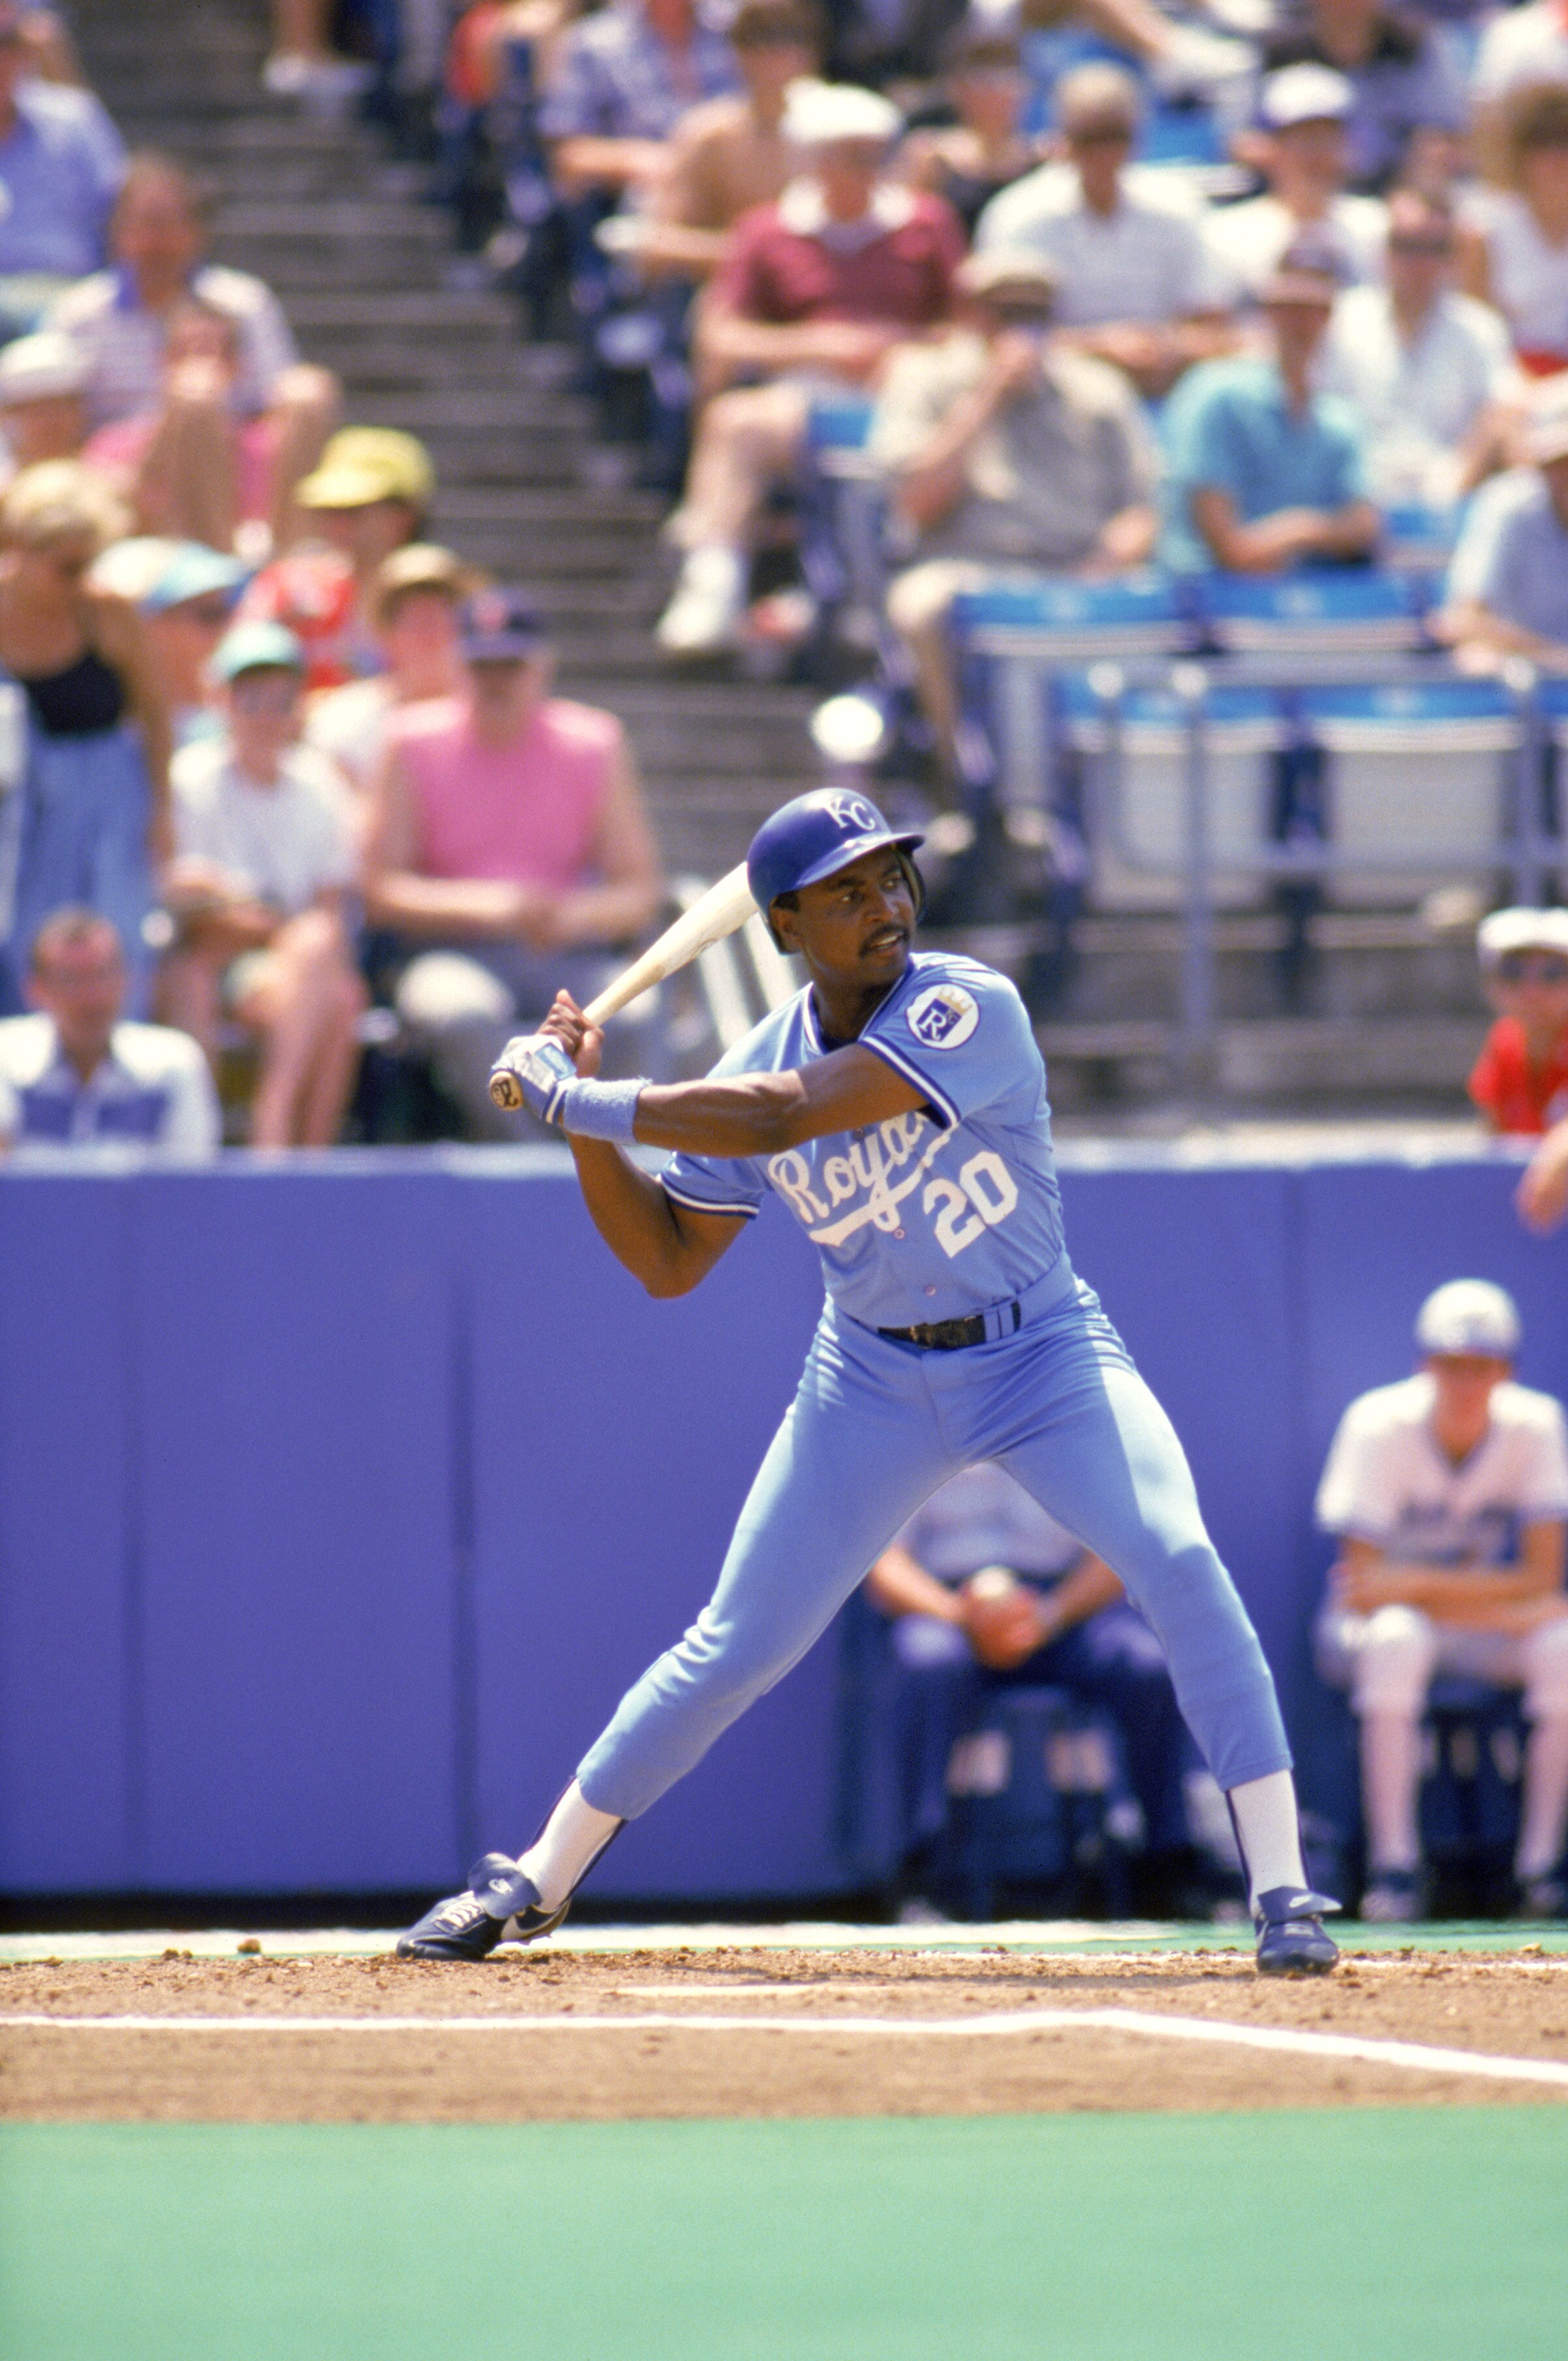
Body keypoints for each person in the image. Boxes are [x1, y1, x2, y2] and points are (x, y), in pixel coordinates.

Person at [397, 786, 1341, 1976]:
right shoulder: (753, 1057)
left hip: (1039, 1347)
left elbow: (791, 1113)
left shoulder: (964, 1003)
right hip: (870, 1373)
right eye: (845, 890)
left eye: (891, 876)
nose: (883, 904)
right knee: (736, 1639)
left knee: (1179, 1557)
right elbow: (668, 1258)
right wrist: (587, 1127)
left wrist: (581, 1095)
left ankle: (1280, 1888)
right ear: (783, 923)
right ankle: (535, 1879)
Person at [656, 81, 963, 657]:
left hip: (907, 395)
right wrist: (816, 345)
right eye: (852, 155)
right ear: (816, 160)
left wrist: (901, 347)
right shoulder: (765, 230)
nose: (869, 169)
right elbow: (723, 334)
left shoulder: (927, 223)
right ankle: (712, 586)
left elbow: (967, 328)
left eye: (876, 154)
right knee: (737, 423)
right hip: (804, 396)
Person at [362, 588, 664, 1138]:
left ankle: (615, 1160)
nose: (496, 679)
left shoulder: (593, 741)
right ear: (459, 666)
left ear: (541, 666)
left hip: (568, 951)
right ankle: (534, 1170)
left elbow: (638, 888)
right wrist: (492, 909)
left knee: (635, 1014)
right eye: (482, 665)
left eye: (511, 664)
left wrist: (573, 917)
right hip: (455, 951)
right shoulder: (410, 742)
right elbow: (381, 889)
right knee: (464, 1014)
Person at [1316, 1280, 1568, 1920]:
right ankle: (1395, 1868)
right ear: (1425, 1364)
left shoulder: (1535, 1423)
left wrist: (1420, 1583)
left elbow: (1543, 1577)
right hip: (1373, 1633)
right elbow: (1367, 1589)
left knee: (1561, 1646)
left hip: (1473, 1629)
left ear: (1505, 1371)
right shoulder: (1377, 1422)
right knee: (1399, 1636)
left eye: (1482, 1366)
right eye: (1453, 1364)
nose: (1466, 1381)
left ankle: (1541, 1870)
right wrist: (1494, 1600)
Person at [872, 248, 1158, 775]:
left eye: (1034, 313)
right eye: (1003, 311)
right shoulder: (923, 376)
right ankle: (966, 776)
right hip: (971, 567)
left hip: (1078, 571)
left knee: (1165, 609)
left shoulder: (1097, 388)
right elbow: (915, 503)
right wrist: (988, 396)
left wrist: (1102, 566)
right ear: (969, 313)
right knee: (921, 605)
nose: (1019, 327)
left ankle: (1114, 781)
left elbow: (1142, 511)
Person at [865, 1461, 1194, 1908]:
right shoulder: (916, 1430)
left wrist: (1046, 1617)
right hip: (948, 1611)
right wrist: (963, 1619)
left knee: (1145, 1665)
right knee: (926, 1660)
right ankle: (919, 1873)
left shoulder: (1072, 1424)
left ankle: (1165, 1865)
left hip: (1059, 1610)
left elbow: (1115, 1558)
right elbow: (884, 1566)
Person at [161, 621, 364, 1150]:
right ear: (222, 700)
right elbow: (187, 901)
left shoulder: (319, 783)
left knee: (337, 990)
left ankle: (285, 1138)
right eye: (250, 697)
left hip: (282, 968)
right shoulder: (191, 775)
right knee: (328, 986)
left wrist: (246, 911)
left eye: (280, 698)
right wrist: (267, 919)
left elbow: (327, 909)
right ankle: (275, 1142)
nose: (266, 713)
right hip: (211, 960)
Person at [0, 461, 172, 1013]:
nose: (81, 579)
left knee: (115, 937)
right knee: (23, 946)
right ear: (23, 546)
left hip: (108, 806)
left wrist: (163, 809)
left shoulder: (108, 613)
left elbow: (155, 713)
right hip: (16, 814)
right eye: (68, 565)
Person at [974, 64, 1231, 403]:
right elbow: (999, 337)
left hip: (1165, 388)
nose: (1103, 153)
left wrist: (1162, 348)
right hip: (1051, 396)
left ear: (1137, 136)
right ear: (1063, 139)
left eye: (1115, 135)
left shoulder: (1179, 208)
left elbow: (1211, 325)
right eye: (1088, 139)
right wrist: (1100, 348)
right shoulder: (1018, 214)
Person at [46, 152, 333, 448]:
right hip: (109, 471)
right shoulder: (79, 312)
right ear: (117, 231)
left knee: (305, 392)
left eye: (168, 224)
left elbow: (276, 395)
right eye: (145, 223)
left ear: (198, 232)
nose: (155, 241)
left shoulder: (244, 302)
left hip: (227, 463)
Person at [1160, 247, 1378, 574]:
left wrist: (1300, 529)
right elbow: (1233, 550)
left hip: (1298, 604)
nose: (1301, 322)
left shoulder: (1338, 419)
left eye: (1316, 308)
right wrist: (1321, 533)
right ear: (1268, 310)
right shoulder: (1217, 394)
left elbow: (1365, 525)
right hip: (1207, 606)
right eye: (1287, 307)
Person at [1318, 188, 1513, 507]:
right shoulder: (1341, 319)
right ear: (1383, 250)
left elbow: (1502, 413)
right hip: (1352, 501)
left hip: (1450, 498)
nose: (1417, 262)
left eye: (1433, 248)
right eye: (1405, 245)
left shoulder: (1480, 329)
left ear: (1452, 256)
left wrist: (1453, 489)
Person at [80, 296, 294, 555]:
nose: (200, 365)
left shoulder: (266, 446)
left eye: (213, 352)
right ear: (162, 361)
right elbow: (119, 514)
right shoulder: (114, 443)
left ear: (237, 366)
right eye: (185, 352)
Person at [632, 0, 823, 281]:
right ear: (736, 51)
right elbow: (658, 246)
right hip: (728, 297)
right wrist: (759, 256)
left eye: (790, 36)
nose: (773, 52)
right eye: (756, 37)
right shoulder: (708, 134)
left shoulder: (842, 132)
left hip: (823, 300)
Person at [0, 903, 218, 1149]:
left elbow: (192, 1181)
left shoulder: (176, 1066)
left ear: (128, 979)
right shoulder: (4, 1058)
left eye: (102, 975)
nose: (91, 996)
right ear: (35, 989)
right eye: (71, 979)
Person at [235, 427, 433, 690]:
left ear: (403, 517)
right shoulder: (287, 586)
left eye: (354, 511)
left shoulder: (440, 597)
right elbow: (230, 674)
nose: (338, 526)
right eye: (329, 510)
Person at [304, 544, 474, 801]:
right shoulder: (342, 721)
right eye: (415, 618)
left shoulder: (494, 720)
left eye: (443, 615)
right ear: (385, 633)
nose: (432, 632)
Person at [1205, 65, 1387, 303]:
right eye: (1304, 141)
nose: (1316, 158)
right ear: (1270, 147)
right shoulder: (1225, 234)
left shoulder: (1378, 228)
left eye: (1328, 141)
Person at [0, 0, 125, 341]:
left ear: (26, 53)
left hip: (64, 298)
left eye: (7, 44)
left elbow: (121, 210)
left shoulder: (73, 118)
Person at [539, 0, 741, 202]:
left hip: (731, 193)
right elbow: (569, 155)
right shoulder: (594, 43)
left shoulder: (735, 31)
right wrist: (650, 162)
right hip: (639, 204)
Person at [1258, 0, 1467, 194]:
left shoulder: (1414, 43)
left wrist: (1409, 194)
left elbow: (1442, 135)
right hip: (1299, 196)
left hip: (1395, 191)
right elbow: (1247, 141)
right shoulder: (1280, 49)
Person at [1436, 378, 1568, 667]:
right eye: (1561, 462)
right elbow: (1465, 619)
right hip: (1524, 678)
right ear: (1543, 465)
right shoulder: (1505, 504)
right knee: (1476, 660)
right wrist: (1555, 659)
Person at [89, 534, 247, 748]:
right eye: (209, 614)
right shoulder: (98, 738)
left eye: (227, 610)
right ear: (141, 626)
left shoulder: (249, 727)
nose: (226, 628)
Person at [1466, 907, 1568, 1239]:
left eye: (1553, 972)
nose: (1532, 989)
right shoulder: (1503, 1042)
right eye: (1513, 971)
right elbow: (1492, 1137)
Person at [1459, 83, 1568, 380]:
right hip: (1506, 378)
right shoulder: (1486, 228)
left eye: (1565, 141)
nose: (1557, 157)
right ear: (1519, 152)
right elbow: (1477, 330)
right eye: (1543, 142)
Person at [899, 27, 1048, 242]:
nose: (998, 90)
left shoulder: (1043, 158)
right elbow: (911, 234)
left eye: (1008, 77)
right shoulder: (932, 158)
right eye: (983, 79)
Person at [0, 327, 87, 481]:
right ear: (7, 416)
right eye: (36, 411)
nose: (50, 421)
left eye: (59, 407)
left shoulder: (110, 481)